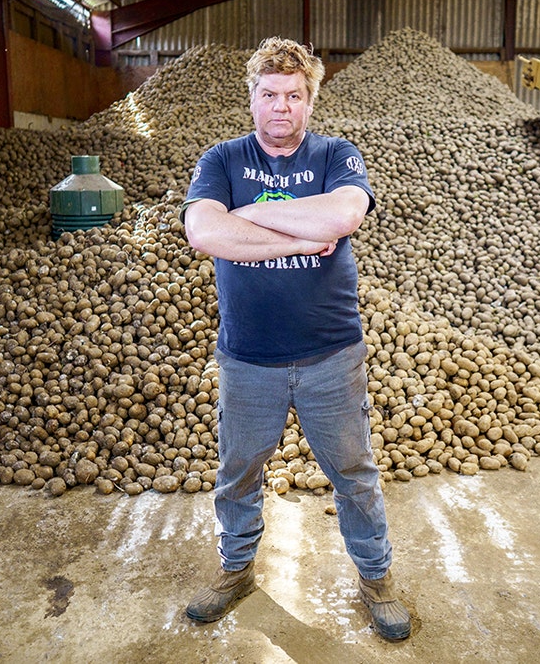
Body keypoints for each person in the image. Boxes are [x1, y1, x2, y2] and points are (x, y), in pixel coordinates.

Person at [179, 36, 411, 641]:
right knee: (237, 473)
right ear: (251, 97)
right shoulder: (221, 160)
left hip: (331, 353)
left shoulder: (336, 154)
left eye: (295, 95)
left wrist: (249, 214)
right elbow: (205, 232)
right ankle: (235, 573)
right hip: (248, 357)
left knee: (354, 472)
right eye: (269, 94)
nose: (282, 106)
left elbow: (341, 218)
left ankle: (376, 580)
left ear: (310, 100)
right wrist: (297, 239)